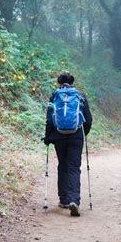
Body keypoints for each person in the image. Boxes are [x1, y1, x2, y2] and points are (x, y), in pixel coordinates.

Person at [44, 72, 93, 217]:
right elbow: (88, 120)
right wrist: (83, 133)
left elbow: (49, 119)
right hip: (76, 136)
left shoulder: (54, 96)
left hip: (59, 136)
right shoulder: (80, 96)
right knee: (73, 168)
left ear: (59, 82)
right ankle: (74, 201)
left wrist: (48, 137)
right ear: (72, 82)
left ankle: (64, 200)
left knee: (63, 165)